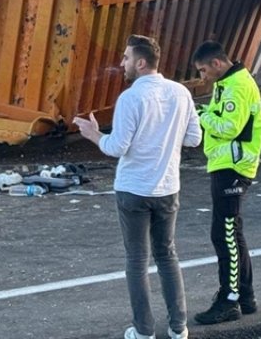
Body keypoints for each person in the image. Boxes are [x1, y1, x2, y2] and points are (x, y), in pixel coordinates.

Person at [74, 35, 201, 339]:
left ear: (141, 63)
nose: (122, 63)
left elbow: (117, 147)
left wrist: (93, 134)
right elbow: (194, 138)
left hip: (133, 189)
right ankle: (178, 327)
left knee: (136, 261)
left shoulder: (131, 98)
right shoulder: (181, 93)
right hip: (168, 187)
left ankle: (143, 330)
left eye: (126, 58)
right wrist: (166, 136)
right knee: (168, 255)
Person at [189, 41, 261, 325]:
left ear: (217, 63)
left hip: (234, 165)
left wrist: (200, 114)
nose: (202, 77)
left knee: (225, 234)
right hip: (227, 164)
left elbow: (228, 127)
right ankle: (245, 295)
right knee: (232, 232)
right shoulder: (227, 82)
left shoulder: (237, 87)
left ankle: (229, 300)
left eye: (203, 70)